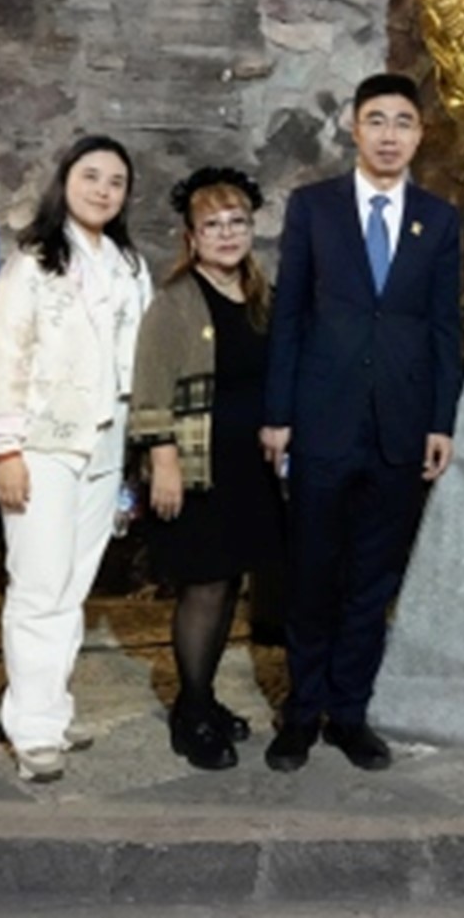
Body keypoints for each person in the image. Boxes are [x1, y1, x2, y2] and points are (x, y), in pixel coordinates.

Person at [260, 74, 464, 773]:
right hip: (321, 420)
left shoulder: (438, 219)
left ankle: (349, 713)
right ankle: (301, 712)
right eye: (376, 120)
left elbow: (443, 327)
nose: (388, 134)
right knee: (312, 572)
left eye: (402, 122)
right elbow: (290, 314)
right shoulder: (314, 207)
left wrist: (441, 420)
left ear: (420, 134)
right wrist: (278, 413)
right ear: (353, 127)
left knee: (373, 580)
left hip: (400, 427)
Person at [0, 135, 152, 784]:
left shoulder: (129, 264)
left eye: (115, 181)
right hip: (42, 446)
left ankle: (46, 706)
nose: (103, 189)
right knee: (39, 588)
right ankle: (34, 731)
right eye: (90, 176)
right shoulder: (31, 263)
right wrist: (6, 450)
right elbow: (4, 361)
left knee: (71, 588)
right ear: (65, 182)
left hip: (106, 442)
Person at [130, 166, 287, 772]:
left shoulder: (260, 295)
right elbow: (150, 389)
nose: (226, 234)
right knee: (204, 587)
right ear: (191, 237)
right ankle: (191, 713)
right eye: (213, 225)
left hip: (249, 469)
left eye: (236, 222)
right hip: (198, 467)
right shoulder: (175, 303)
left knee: (229, 585)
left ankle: (205, 697)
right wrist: (162, 459)